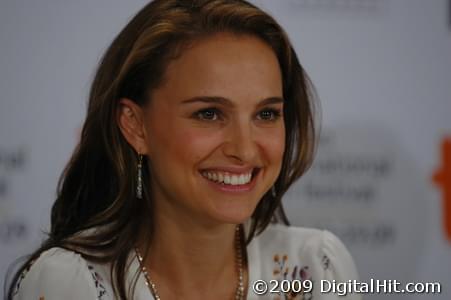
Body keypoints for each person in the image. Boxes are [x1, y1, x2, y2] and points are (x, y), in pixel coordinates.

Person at [7, 0, 360, 299]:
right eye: (209, 114)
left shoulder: (316, 266)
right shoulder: (68, 283)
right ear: (135, 125)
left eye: (266, 114)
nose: (245, 149)